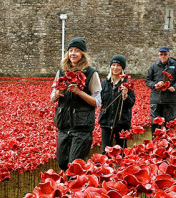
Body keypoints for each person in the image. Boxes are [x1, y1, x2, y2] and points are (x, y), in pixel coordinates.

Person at [50, 37, 101, 171]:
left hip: (81, 128)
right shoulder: (61, 71)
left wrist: (79, 92)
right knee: (62, 163)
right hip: (64, 126)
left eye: (77, 51)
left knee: (74, 166)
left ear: (83, 54)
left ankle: (74, 190)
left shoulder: (91, 73)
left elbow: (97, 102)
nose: (73, 53)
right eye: (71, 50)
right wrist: (56, 95)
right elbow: (52, 96)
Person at [98, 55, 135, 152]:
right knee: (106, 150)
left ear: (122, 68)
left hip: (122, 121)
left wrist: (126, 96)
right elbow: (100, 100)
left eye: (118, 65)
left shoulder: (127, 83)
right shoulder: (105, 82)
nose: (115, 68)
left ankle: (120, 167)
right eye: (113, 65)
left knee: (121, 150)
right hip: (106, 121)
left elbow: (131, 103)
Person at [144, 46, 176, 134]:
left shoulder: (175, 66)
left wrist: (175, 87)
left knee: (169, 124)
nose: (163, 56)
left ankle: (168, 144)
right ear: (158, 56)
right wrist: (154, 85)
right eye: (161, 54)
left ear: (169, 55)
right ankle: (155, 143)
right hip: (156, 100)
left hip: (170, 99)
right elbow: (147, 79)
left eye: (165, 54)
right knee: (155, 124)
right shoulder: (154, 66)